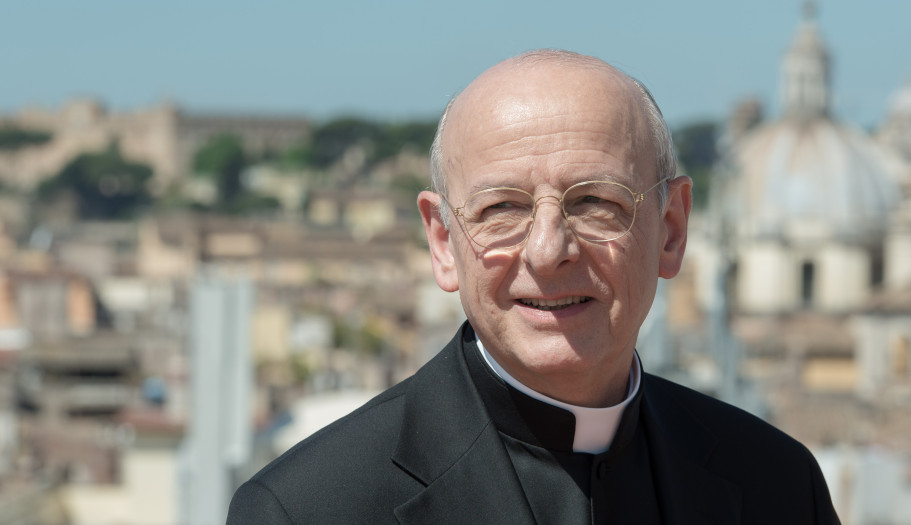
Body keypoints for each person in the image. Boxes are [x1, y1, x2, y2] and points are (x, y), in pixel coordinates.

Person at [227, 49, 840, 524]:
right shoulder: (306, 510)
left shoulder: (778, 486)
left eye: (597, 202)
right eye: (502, 209)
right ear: (443, 241)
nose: (548, 252)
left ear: (672, 230)